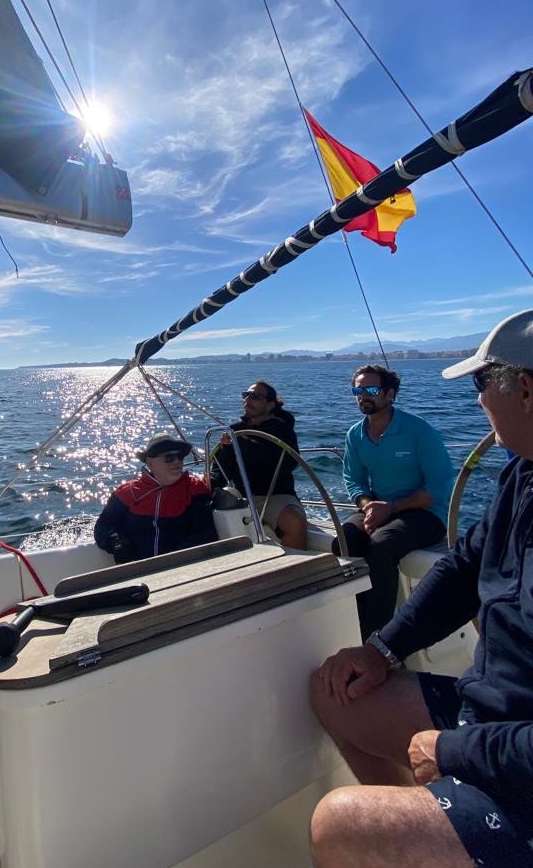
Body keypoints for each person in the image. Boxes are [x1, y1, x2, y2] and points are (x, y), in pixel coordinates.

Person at [309, 309, 533, 868]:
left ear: (525, 389)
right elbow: (463, 569)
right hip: (489, 713)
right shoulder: (522, 473)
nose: (478, 400)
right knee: (332, 690)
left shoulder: (425, 432)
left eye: (482, 383)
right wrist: (382, 648)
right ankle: (438, 827)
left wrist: (456, 750)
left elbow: (434, 491)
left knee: (341, 823)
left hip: (514, 751)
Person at [336, 364, 453, 637]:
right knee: (343, 539)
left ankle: (379, 637)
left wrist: (390, 508)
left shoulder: (419, 431)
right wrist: (368, 507)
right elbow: (353, 480)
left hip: (426, 513)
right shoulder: (355, 434)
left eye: (371, 390)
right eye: (358, 390)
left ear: (390, 394)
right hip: (379, 506)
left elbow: (439, 487)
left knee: (382, 544)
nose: (363, 395)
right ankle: (353, 619)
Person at [209, 380, 307, 548]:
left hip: (277, 495)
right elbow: (220, 471)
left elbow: (287, 462)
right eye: (246, 395)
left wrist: (241, 443)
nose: (248, 399)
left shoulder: (282, 430)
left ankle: (297, 571)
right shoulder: (234, 431)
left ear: (269, 405)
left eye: (255, 396)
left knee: (294, 522)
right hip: (243, 498)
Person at [94, 433, 217, 562]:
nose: (177, 462)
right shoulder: (127, 493)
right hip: (134, 570)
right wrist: (116, 542)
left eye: (180, 457)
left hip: (183, 567)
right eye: (169, 458)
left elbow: (205, 534)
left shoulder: (195, 489)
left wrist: (172, 562)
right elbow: (102, 527)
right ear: (151, 463)